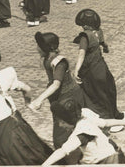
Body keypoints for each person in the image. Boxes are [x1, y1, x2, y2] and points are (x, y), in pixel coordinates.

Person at [29, 32, 99, 164]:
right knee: (63, 130)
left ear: (48, 48)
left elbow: (56, 84)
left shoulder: (59, 62)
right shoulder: (47, 58)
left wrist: (39, 99)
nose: (37, 48)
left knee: (64, 132)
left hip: (69, 98)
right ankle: (71, 154)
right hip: (59, 98)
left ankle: (73, 157)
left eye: (39, 46)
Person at [72, 9, 125, 129]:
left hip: (91, 70)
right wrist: (106, 48)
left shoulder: (85, 37)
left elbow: (81, 54)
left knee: (96, 94)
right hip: (102, 67)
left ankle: (108, 120)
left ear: (85, 25)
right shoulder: (98, 32)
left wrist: (76, 70)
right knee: (108, 90)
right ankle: (115, 114)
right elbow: (104, 44)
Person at [42, 101, 125, 166]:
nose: (60, 125)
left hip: (104, 161)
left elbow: (63, 151)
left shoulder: (81, 133)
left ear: (69, 120)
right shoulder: (86, 116)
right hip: (111, 153)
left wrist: (44, 165)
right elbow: (105, 123)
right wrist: (123, 122)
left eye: (62, 122)